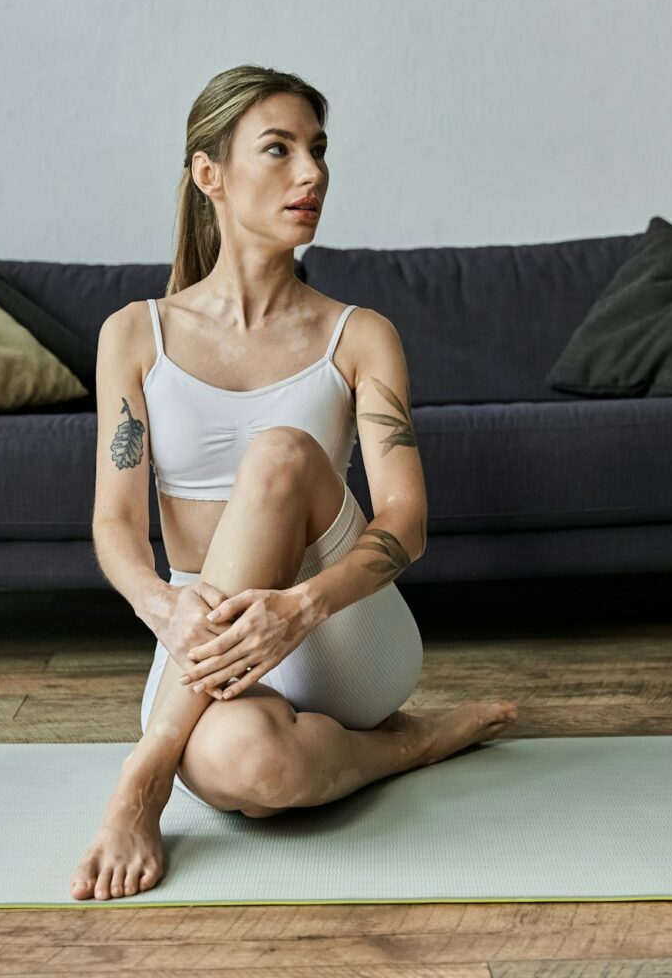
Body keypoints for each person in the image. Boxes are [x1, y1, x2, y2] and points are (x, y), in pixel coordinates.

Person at [72, 65, 518, 901]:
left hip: (340, 633)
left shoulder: (360, 334)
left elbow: (407, 523)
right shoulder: (135, 335)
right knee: (248, 771)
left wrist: (297, 608)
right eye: (278, 150)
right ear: (210, 174)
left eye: (317, 151)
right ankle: (409, 745)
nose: (310, 173)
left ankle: (141, 777)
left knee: (279, 454)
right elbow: (116, 528)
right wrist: (164, 606)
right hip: (206, 641)